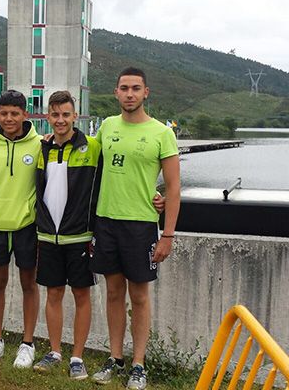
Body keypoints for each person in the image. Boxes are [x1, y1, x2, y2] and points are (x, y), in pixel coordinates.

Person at [90, 67, 180, 390]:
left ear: (146, 93)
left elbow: (172, 187)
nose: (129, 94)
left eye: (135, 88)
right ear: (116, 92)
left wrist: (167, 233)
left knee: (139, 296)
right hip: (106, 221)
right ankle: (115, 358)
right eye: (124, 88)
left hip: (141, 225)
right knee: (113, 292)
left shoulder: (161, 133)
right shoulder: (107, 127)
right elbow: (85, 157)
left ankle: (139, 364)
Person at [30, 90, 99, 379]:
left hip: (80, 237)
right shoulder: (41, 148)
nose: (60, 120)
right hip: (47, 237)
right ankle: (55, 351)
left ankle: (77, 357)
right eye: (55, 115)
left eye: (66, 114)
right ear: (48, 116)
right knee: (53, 293)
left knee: (82, 295)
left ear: (75, 115)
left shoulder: (93, 147)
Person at [0, 90, 41, 368]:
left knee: (29, 284)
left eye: (15, 113)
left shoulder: (39, 144)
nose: (9, 118)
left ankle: (27, 343)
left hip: (27, 226)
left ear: (25, 115)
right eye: (4, 113)